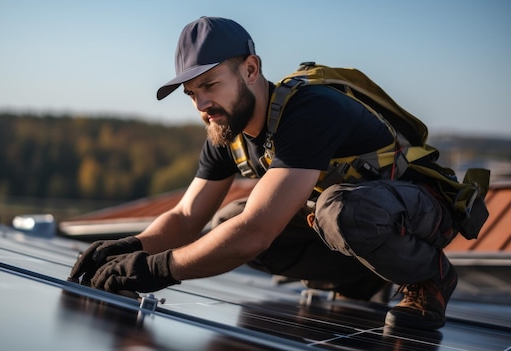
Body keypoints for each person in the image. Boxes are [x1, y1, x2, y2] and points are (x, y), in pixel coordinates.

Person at [69, 16, 458, 331]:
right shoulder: (226, 130)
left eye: (210, 85)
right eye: (191, 93)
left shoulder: (310, 110)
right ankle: (359, 278)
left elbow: (256, 232)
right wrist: (132, 247)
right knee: (227, 221)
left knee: (331, 212)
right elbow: (188, 217)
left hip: (418, 211)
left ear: (251, 69)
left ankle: (430, 278)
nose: (202, 103)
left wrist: (154, 270)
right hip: (357, 221)